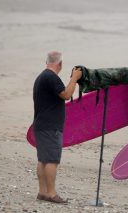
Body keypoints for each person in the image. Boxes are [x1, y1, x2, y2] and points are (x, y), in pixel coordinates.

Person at [33, 51, 82, 203]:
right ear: (60, 63)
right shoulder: (51, 77)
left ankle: (42, 192)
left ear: (46, 61)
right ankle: (51, 193)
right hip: (50, 126)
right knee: (52, 160)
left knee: (43, 159)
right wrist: (75, 78)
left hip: (41, 124)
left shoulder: (41, 77)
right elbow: (66, 94)